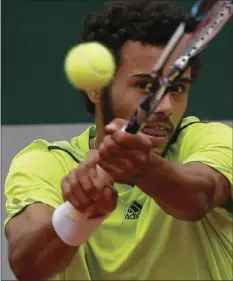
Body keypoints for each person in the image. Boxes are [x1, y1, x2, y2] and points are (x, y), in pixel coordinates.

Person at [4, 1, 232, 280]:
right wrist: (78, 215)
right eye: (146, 87)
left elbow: (199, 196)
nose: (165, 107)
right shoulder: (44, 163)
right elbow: (27, 265)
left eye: (178, 88)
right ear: (97, 90)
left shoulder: (209, 140)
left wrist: (141, 168)